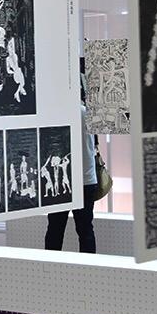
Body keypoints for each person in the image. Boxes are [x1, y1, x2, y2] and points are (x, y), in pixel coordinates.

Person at [44, 102, 98, 254]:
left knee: (55, 229)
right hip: (86, 179)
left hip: (62, 180)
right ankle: (89, 266)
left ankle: (49, 265)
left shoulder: (56, 113)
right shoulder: (89, 113)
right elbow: (94, 146)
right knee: (86, 230)